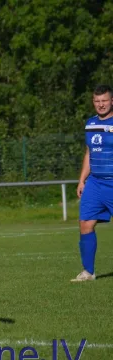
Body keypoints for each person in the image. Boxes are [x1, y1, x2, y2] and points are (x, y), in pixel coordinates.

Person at [74, 84, 113, 282]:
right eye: (97, 101)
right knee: (85, 223)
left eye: (104, 100)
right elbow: (89, 153)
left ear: (111, 101)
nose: (101, 104)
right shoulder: (90, 123)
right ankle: (88, 272)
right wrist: (82, 180)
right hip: (95, 183)